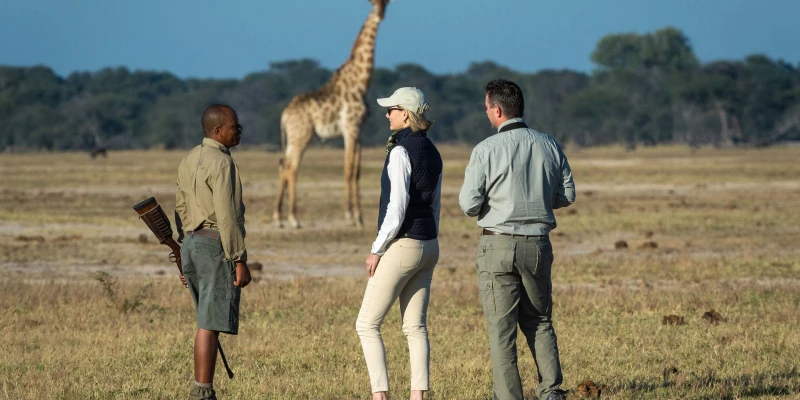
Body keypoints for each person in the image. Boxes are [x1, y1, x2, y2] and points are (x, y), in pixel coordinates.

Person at [458, 79, 575, 400]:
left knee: (501, 330)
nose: (486, 113)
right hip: (537, 243)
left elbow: (468, 205)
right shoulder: (548, 144)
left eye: (486, 108)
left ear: (497, 110)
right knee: (539, 320)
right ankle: (551, 391)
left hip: (497, 244)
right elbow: (567, 194)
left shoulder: (485, 149)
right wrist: (536, 200)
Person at [355, 87, 443, 400]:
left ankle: (380, 396)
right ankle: (417, 396)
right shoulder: (433, 151)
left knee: (366, 324)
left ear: (405, 113)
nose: (387, 114)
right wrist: (430, 237)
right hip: (429, 244)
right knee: (415, 327)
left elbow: (397, 208)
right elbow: (435, 205)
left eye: (391, 109)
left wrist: (376, 249)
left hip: (403, 245)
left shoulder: (399, 151)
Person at [175, 104, 252, 400]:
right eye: (235, 126)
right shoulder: (223, 163)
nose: (240, 129)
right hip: (216, 246)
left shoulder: (188, 159)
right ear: (219, 131)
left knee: (205, 320)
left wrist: (184, 252)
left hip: (192, 244)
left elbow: (180, 209)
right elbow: (227, 216)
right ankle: (202, 392)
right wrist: (239, 259)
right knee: (209, 324)